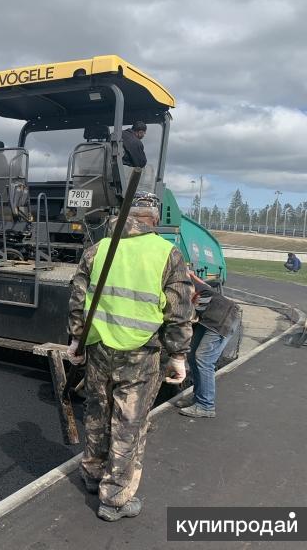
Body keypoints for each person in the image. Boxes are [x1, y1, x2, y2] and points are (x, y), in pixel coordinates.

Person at [67, 194, 193, 522]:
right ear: (153, 220)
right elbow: (178, 311)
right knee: (128, 422)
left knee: (97, 411)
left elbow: (78, 299)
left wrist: (77, 338)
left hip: (98, 349)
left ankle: (92, 474)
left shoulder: (98, 251)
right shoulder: (167, 254)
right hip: (140, 354)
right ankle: (115, 498)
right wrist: (178, 355)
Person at [176, 271, 241, 418]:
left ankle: (206, 405)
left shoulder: (182, 280)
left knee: (204, 359)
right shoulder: (183, 277)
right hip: (209, 318)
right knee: (192, 356)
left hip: (223, 317)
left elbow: (187, 313)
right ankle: (198, 397)